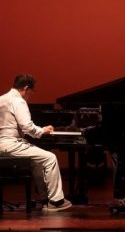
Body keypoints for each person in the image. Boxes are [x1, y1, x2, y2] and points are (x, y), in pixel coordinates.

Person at [0, 74, 72, 212]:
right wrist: (42, 130)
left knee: (37, 161)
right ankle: (56, 201)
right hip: (10, 144)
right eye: (31, 92)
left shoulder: (1, 99)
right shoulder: (18, 101)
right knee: (50, 158)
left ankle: (45, 199)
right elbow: (27, 127)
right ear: (26, 88)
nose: (30, 96)